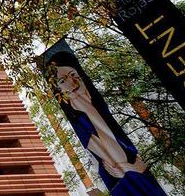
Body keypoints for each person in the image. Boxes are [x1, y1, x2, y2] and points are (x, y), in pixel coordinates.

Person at [47, 51, 146, 180]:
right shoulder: (80, 123)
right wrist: (130, 168)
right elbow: (114, 168)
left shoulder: (99, 103)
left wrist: (131, 167)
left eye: (72, 74)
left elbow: (137, 162)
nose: (72, 82)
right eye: (62, 81)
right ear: (58, 90)